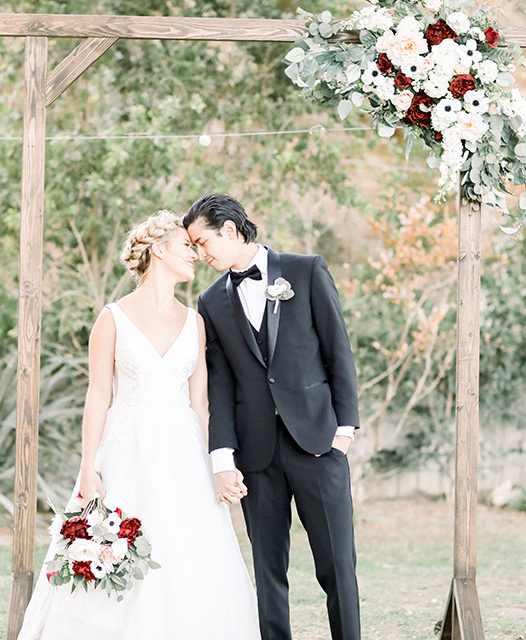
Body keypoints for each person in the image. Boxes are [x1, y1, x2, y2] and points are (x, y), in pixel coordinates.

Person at [17, 211, 260, 640]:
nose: (196, 255)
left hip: (185, 456)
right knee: (117, 551)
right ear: (159, 250)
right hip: (126, 452)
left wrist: (221, 463)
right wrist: (89, 467)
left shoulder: (196, 322)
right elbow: (99, 395)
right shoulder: (112, 318)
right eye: (188, 246)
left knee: (189, 559)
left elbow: (200, 405)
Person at [184, 195, 361, 640]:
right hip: (256, 454)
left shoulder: (306, 270)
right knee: (268, 573)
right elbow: (220, 384)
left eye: (202, 243)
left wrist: (344, 430)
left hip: (319, 443)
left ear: (229, 229)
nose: (200, 254)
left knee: (337, 567)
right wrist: (223, 457)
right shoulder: (210, 302)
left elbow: (337, 350)